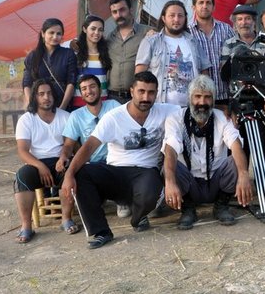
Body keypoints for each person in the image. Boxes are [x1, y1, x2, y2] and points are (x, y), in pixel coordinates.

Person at [61, 71, 179, 249]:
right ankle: (101, 232)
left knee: (151, 191)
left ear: (157, 93)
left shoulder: (168, 111)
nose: (145, 97)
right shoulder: (114, 117)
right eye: (141, 91)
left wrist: (170, 180)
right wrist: (69, 174)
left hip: (146, 172)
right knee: (82, 173)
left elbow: (190, 113)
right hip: (116, 172)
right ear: (132, 91)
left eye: (151, 92)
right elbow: (89, 146)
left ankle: (138, 217)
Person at [162, 75, 253, 230]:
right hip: (190, 183)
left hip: (216, 182)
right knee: (169, 164)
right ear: (190, 98)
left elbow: (236, 145)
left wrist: (244, 175)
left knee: (235, 161)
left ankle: (221, 206)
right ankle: (188, 209)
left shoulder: (222, 117)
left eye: (207, 97)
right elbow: (170, 148)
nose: (202, 102)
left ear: (214, 100)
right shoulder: (175, 118)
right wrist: (169, 182)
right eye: (197, 96)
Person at [14, 80, 74, 243]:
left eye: (49, 93)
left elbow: (70, 144)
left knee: (70, 173)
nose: (46, 97)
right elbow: (22, 151)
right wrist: (40, 166)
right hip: (36, 163)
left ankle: (66, 219)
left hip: (60, 161)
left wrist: (63, 158)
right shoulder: (26, 119)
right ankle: (26, 226)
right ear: (35, 97)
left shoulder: (65, 116)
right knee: (22, 176)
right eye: (41, 94)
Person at [60, 74, 128, 217]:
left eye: (92, 86)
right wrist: (63, 156)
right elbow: (68, 144)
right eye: (84, 89)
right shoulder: (76, 116)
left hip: (116, 160)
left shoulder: (114, 106)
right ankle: (98, 198)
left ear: (100, 89)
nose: (89, 91)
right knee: (80, 173)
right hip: (93, 163)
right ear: (81, 94)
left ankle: (122, 199)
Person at [220, 4, 265, 179]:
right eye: (240, 19)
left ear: (254, 21)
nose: (244, 22)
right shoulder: (229, 44)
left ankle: (264, 184)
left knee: (263, 145)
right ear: (235, 23)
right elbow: (224, 74)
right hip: (238, 99)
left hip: (261, 98)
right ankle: (236, 185)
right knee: (238, 142)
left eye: (248, 19)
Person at [135, 0, 211, 106]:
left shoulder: (193, 42)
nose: (176, 19)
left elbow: (204, 72)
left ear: (185, 18)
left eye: (180, 16)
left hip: (191, 107)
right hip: (160, 106)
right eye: (172, 15)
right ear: (163, 18)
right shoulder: (151, 41)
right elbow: (139, 75)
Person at [187, 0, 235, 110]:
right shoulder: (187, 32)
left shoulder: (226, 29)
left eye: (208, 3)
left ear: (213, 7)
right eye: (201, 2)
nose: (205, 6)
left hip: (225, 94)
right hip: (199, 97)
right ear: (193, 7)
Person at [106, 0, 153, 104]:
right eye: (114, 12)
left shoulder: (147, 33)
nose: (119, 15)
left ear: (131, 10)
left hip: (137, 97)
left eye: (122, 10)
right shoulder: (109, 38)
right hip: (112, 97)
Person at [22, 18, 77, 110]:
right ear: (43, 34)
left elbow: (71, 82)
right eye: (51, 33)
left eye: (58, 34)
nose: (55, 37)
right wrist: (31, 104)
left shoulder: (68, 54)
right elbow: (27, 83)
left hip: (63, 105)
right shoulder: (32, 56)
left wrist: (62, 108)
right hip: (39, 107)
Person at [71, 15, 112, 108]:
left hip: (102, 102)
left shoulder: (106, 51)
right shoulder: (75, 51)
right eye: (93, 29)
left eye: (100, 30)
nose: (97, 33)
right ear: (85, 29)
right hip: (80, 102)